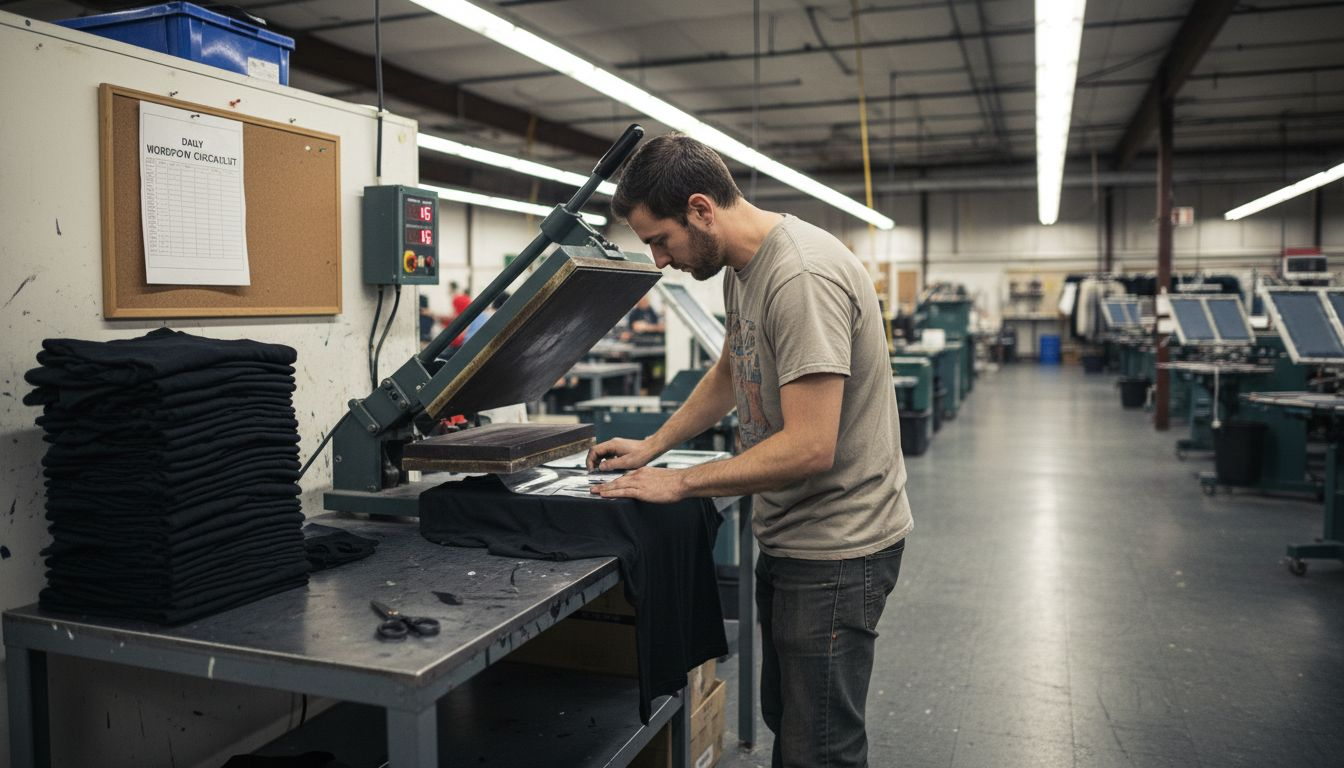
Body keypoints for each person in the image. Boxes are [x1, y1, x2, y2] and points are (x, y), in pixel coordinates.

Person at [586, 133, 912, 768]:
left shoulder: (800, 277)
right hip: (792, 534)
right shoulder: (745, 269)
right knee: (789, 719)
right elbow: (731, 373)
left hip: (839, 547)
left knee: (819, 747)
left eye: (660, 239)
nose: (656, 260)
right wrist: (654, 446)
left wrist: (679, 483)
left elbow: (812, 446)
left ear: (702, 210)